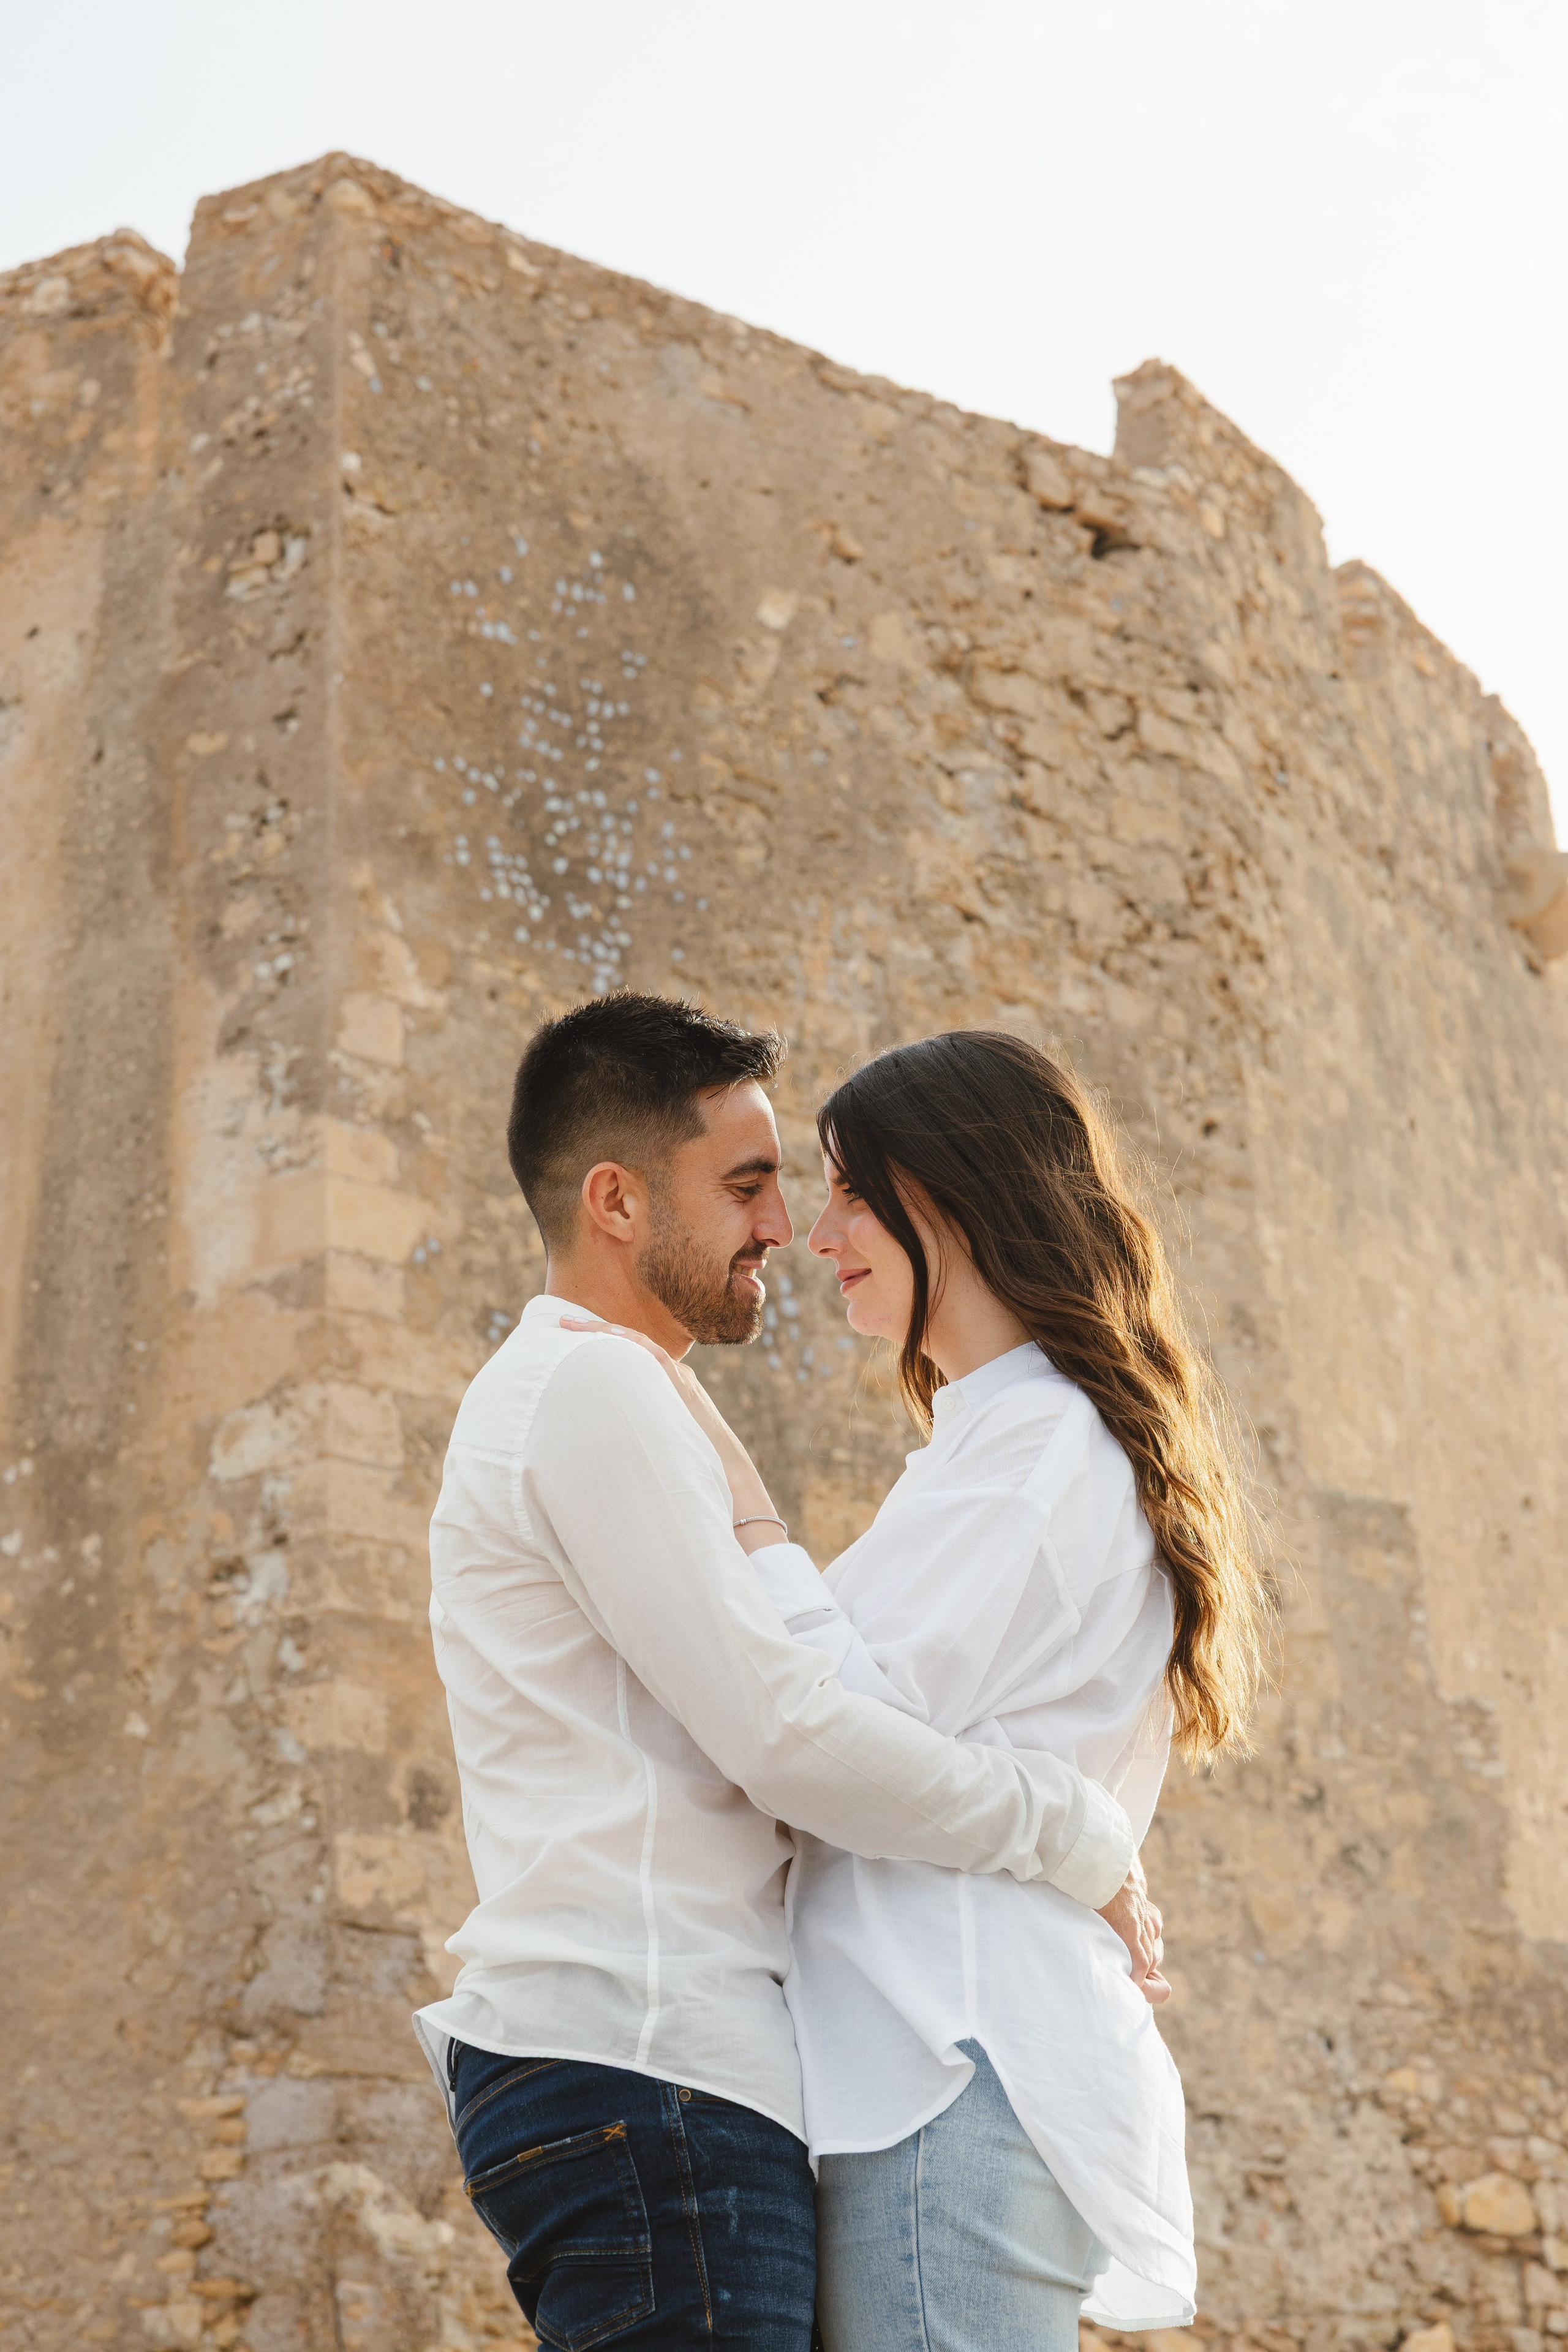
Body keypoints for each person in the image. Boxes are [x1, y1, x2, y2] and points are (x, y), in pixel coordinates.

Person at [413, 994, 1163, 2352]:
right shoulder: (597, 1392)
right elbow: (793, 1735)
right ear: (617, 1203)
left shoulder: (608, 1392)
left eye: (815, 1193)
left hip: (679, 2067)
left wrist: (743, 1497)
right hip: (650, 2061)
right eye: (750, 1185)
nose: (788, 1230)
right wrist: (1073, 1833)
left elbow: (795, 1712)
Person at [631, 1031, 1272, 2352]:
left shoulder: (1038, 1448)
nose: (819, 1235)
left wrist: (747, 1523)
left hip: (947, 2060)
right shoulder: (994, 1441)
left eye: (854, 1192)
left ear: (958, 1197)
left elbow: (839, 1733)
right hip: (932, 2066)